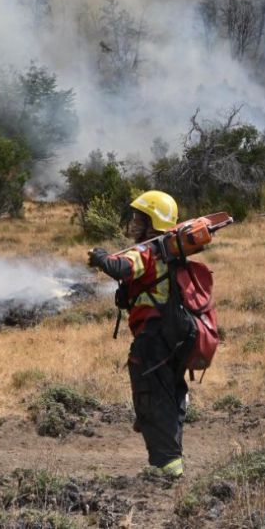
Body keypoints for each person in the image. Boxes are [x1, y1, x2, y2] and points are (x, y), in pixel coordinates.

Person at [87, 190, 188, 479]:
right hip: (173, 338)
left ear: (151, 222)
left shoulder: (147, 250)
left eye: (138, 218)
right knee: (168, 396)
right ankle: (171, 464)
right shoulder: (171, 251)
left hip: (153, 340)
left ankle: (166, 469)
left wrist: (100, 256)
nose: (133, 224)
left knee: (150, 399)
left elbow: (121, 267)